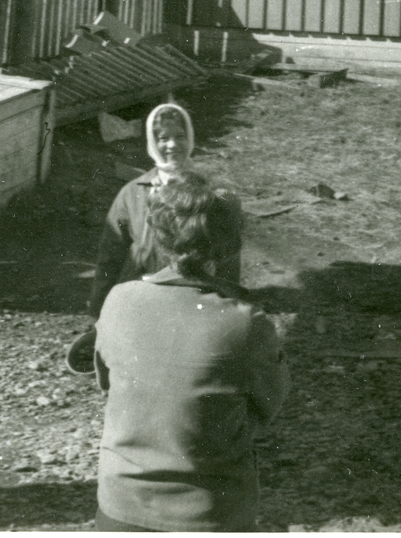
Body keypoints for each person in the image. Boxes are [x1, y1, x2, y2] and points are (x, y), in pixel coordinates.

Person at [92, 172, 289, 531]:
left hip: (120, 508)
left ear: (162, 236)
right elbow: (267, 406)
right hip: (209, 513)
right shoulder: (247, 322)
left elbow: (108, 385)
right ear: (226, 243)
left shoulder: (118, 300)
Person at [67, 102, 242, 373]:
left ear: (191, 138)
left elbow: (227, 257)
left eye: (180, 136)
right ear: (151, 142)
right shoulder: (132, 193)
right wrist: (98, 311)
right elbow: (110, 255)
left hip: (192, 295)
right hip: (141, 295)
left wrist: (231, 308)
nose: (172, 145)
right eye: (163, 138)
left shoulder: (211, 195)